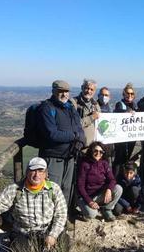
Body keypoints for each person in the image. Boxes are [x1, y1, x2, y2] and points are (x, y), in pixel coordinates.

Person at [0, 157, 68, 249]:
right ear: (27, 172)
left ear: (46, 174)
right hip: (23, 234)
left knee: (64, 242)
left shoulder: (54, 189)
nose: (36, 175)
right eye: (33, 170)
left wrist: (53, 235)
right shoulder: (14, 189)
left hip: (47, 231)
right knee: (18, 251)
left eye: (40, 171)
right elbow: (0, 205)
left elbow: (61, 214)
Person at [38, 80, 85, 208]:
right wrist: (75, 136)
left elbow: (79, 127)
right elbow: (52, 134)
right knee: (52, 191)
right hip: (53, 157)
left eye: (66, 91)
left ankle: (62, 220)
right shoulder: (47, 108)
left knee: (66, 189)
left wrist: (81, 140)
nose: (64, 94)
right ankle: (49, 221)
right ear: (53, 91)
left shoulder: (70, 107)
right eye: (60, 91)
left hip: (69, 156)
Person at [76, 141, 123, 221]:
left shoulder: (104, 163)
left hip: (100, 194)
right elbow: (80, 186)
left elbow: (112, 179)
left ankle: (107, 209)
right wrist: (90, 201)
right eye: (95, 151)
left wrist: (109, 189)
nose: (98, 153)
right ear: (91, 151)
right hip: (86, 196)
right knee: (91, 215)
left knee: (118, 188)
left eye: (101, 152)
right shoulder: (85, 164)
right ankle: (84, 210)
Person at [112, 83, 137, 178]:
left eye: (132, 94)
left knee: (127, 159)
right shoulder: (120, 104)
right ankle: (116, 179)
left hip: (131, 137)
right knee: (119, 160)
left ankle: (124, 179)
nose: (130, 95)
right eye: (128, 93)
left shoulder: (135, 105)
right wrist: (126, 113)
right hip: (121, 139)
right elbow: (117, 112)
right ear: (124, 94)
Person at [72, 79, 101, 146]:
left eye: (91, 89)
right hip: (78, 145)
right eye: (86, 88)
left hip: (92, 147)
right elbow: (73, 125)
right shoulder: (74, 103)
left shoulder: (95, 104)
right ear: (82, 88)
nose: (88, 91)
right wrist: (91, 117)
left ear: (94, 91)